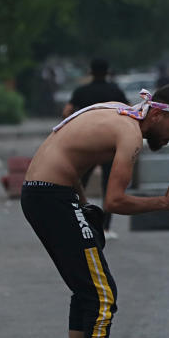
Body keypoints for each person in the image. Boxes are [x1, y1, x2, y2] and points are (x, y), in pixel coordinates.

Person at [21, 85, 169, 338]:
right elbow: (115, 201)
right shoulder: (129, 134)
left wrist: (82, 205)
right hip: (51, 197)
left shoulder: (118, 112)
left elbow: (66, 151)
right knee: (102, 295)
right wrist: (165, 203)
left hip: (46, 193)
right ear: (157, 114)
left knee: (86, 292)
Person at [61, 59, 129, 239]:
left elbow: (66, 112)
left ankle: (77, 222)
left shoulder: (81, 91)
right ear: (108, 72)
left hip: (87, 144)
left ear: (91, 72)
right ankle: (105, 228)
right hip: (110, 144)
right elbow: (128, 112)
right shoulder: (115, 91)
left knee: (79, 185)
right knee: (109, 186)